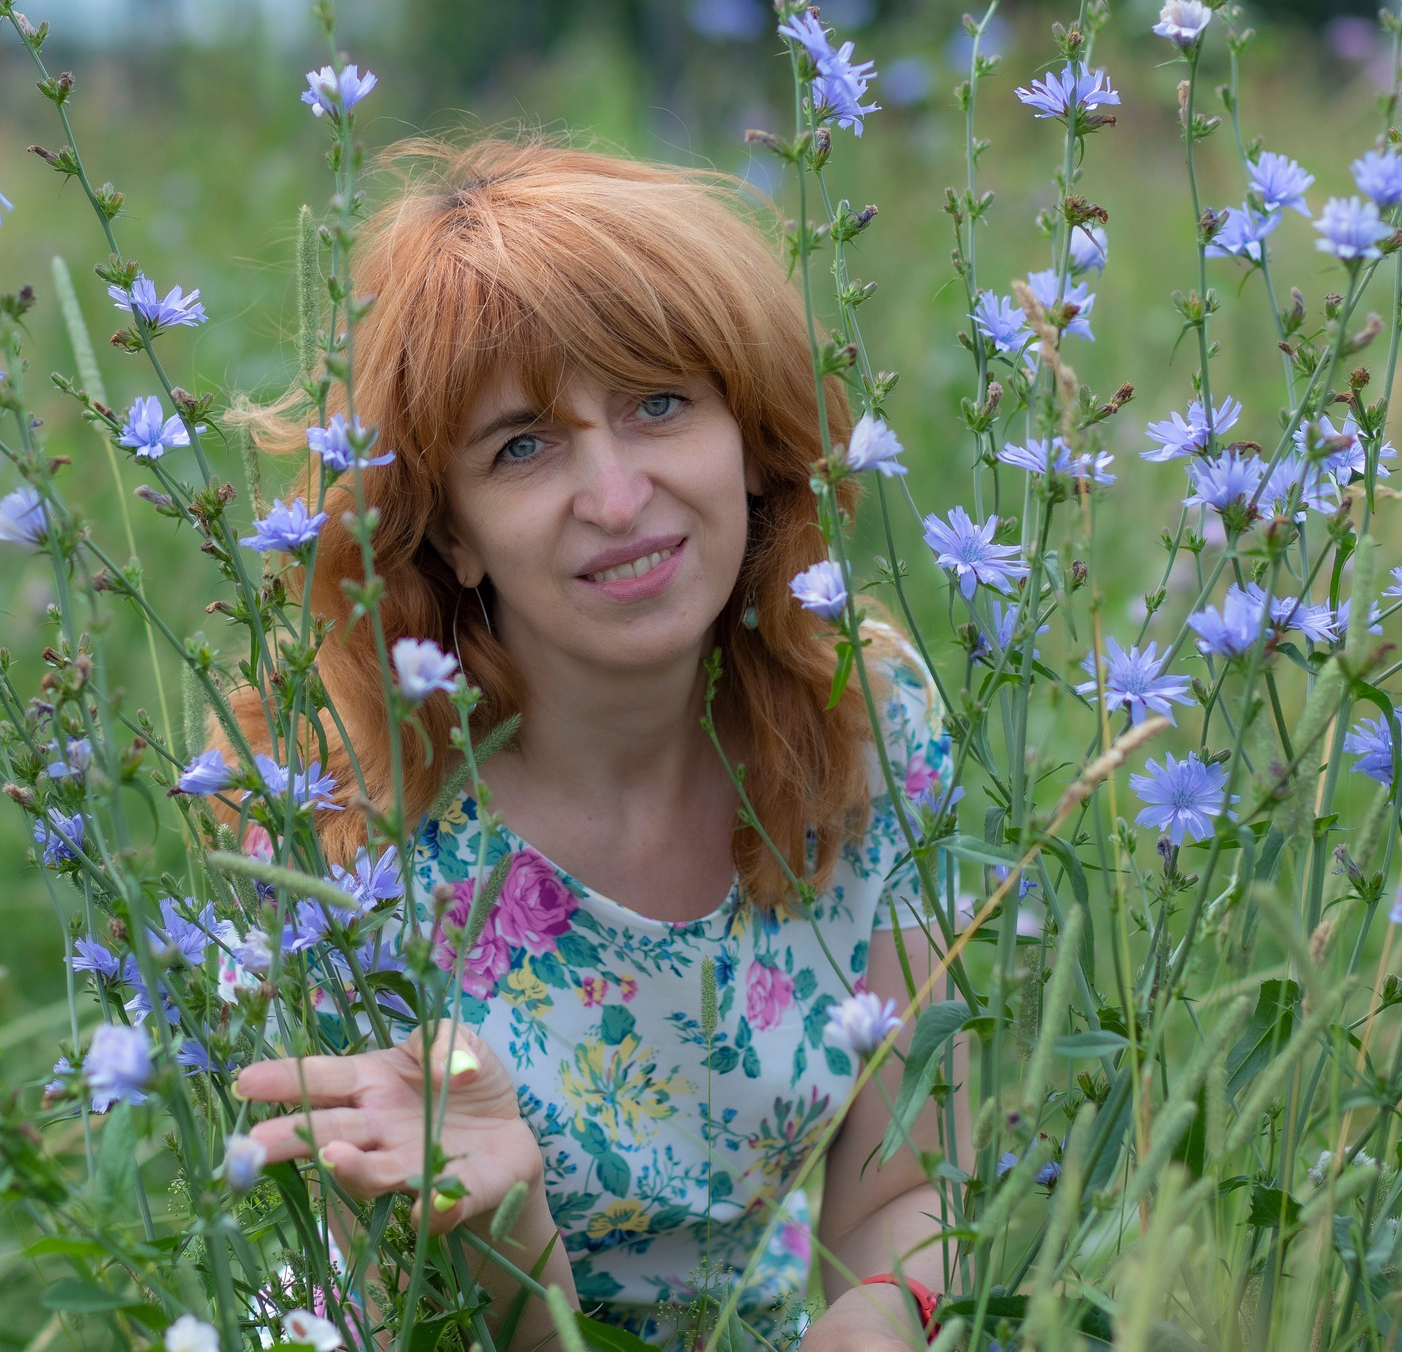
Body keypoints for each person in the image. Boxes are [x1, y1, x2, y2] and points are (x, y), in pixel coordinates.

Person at [228, 139, 958, 1350]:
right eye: (523, 445)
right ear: (450, 534)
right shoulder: (333, 823)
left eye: (657, 403)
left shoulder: (871, 720)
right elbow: (382, 1313)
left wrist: (883, 1315)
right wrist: (504, 1231)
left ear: (748, 437)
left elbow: (906, 1190)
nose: (617, 497)